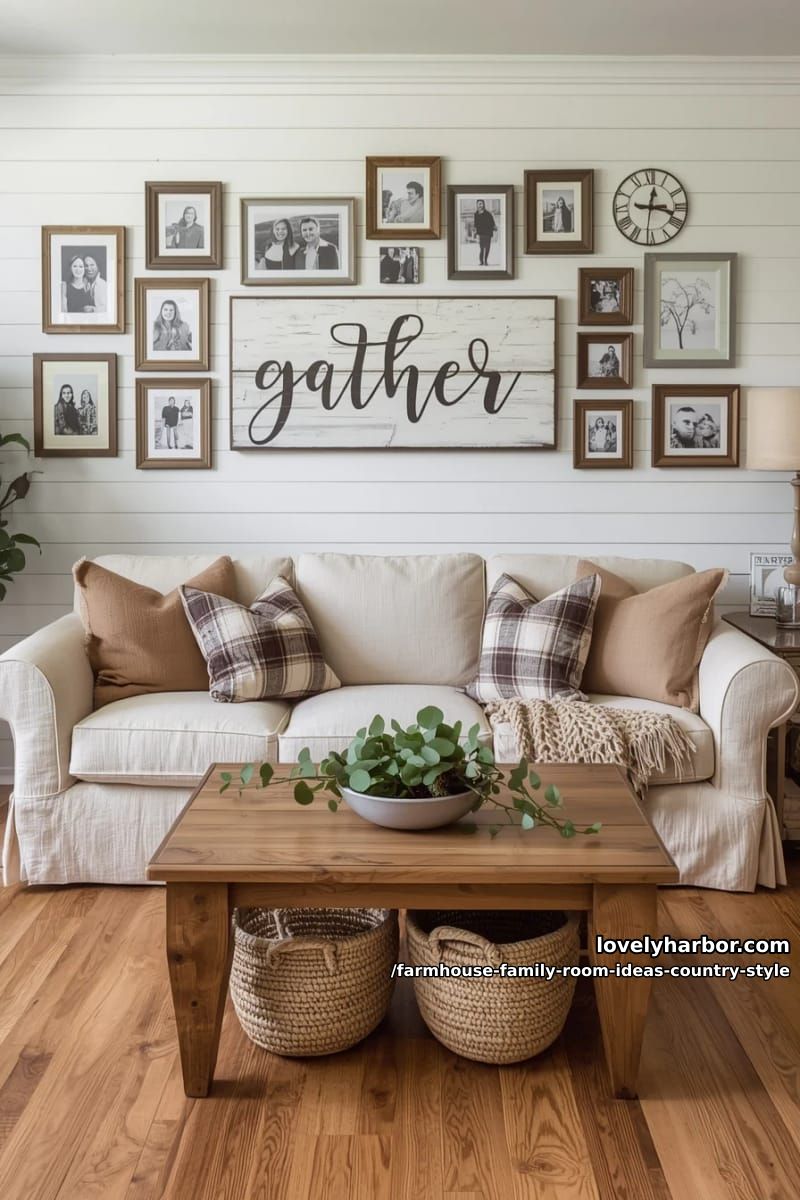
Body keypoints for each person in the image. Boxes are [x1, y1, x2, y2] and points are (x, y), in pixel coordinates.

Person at [473, 199, 497, 267]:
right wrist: (475, 233)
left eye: (481, 204)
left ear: (483, 204)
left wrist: (494, 227)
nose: (480, 205)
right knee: (481, 248)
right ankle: (481, 261)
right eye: (479, 204)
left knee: (487, 248)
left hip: (488, 233)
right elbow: (475, 224)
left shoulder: (488, 214)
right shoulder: (476, 214)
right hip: (481, 233)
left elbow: (492, 222)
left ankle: (485, 261)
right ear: (477, 205)